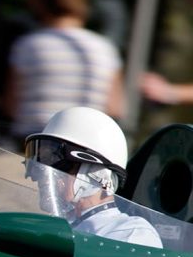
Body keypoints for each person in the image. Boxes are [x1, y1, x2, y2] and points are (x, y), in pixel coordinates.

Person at [3, 0, 124, 149]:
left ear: (41, 4)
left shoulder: (27, 45)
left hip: (32, 143)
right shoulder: (105, 48)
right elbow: (115, 107)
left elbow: (11, 106)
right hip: (85, 145)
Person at [24, 106, 162, 248]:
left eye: (53, 161)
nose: (41, 176)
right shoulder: (49, 230)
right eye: (38, 164)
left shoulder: (131, 235)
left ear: (97, 172)